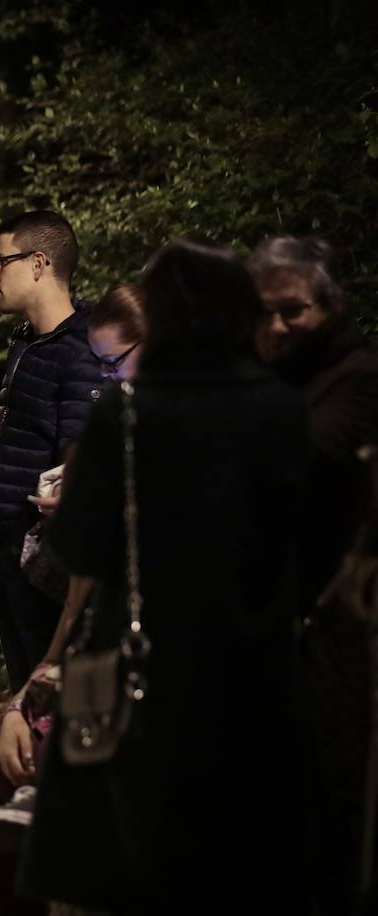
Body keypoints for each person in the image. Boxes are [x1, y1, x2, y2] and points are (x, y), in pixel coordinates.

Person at [22, 241, 308, 913]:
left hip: (139, 670)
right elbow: (305, 541)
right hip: (253, 669)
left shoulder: (125, 414)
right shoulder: (281, 407)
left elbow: (79, 550)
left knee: (130, 868)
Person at [0, 283, 146, 916]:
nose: (109, 380)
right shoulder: (110, 429)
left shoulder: (173, 445)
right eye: (102, 365)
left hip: (148, 672)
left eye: (118, 363)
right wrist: (31, 690)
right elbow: (79, 597)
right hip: (92, 648)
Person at [250, 236, 378, 914]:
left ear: (327, 307)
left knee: (332, 808)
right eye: (262, 313)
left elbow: (313, 462)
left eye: (291, 312)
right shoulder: (263, 382)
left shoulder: (356, 377)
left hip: (336, 632)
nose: (275, 327)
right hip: (264, 631)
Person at [0, 210, 104, 691]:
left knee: (46, 702)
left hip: (43, 559)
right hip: (6, 547)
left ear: (38, 263)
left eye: (0, 261)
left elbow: (80, 453)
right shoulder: (26, 341)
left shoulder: (82, 350)